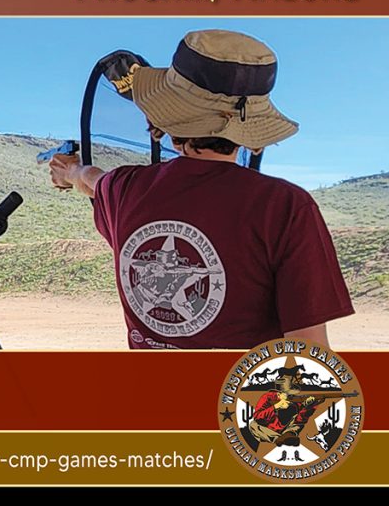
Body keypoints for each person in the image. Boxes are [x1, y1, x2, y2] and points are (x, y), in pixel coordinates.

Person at [49, 30, 354, 350]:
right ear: (249, 127)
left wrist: (67, 171)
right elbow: (310, 354)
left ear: (163, 121)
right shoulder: (285, 206)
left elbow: (89, 178)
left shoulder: (125, 189)